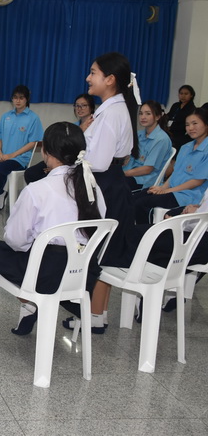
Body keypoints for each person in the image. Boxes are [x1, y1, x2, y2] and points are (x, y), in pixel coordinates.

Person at [0, 122, 106, 335]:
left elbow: (16, 240)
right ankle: (34, 306)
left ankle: (30, 304)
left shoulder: (37, 190)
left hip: (45, 275)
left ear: (45, 151)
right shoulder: (93, 188)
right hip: (84, 272)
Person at [63, 52, 139, 334]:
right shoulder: (114, 109)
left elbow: (99, 161)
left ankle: (93, 315)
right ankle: (98, 314)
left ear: (110, 79)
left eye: (93, 72)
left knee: (98, 252)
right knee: (104, 252)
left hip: (105, 185)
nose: (88, 78)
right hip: (112, 183)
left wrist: (72, 159)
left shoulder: (111, 113)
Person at [127, 187, 208, 316]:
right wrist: (195, 208)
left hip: (199, 242)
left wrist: (179, 221)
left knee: (140, 236)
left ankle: (148, 293)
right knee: (159, 246)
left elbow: (199, 221)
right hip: (198, 235)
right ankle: (163, 293)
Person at [132, 107, 208, 224]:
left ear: (206, 124)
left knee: (142, 204)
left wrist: (168, 190)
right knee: (134, 198)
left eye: (195, 123)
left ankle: (145, 233)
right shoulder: (186, 147)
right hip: (172, 190)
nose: (190, 128)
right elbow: (175, 173)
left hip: (187, 196)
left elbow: (197, 182)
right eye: (187, 125)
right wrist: (163, 188)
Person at [0, 85, 43, 212]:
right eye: (15, 97)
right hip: (1, 154)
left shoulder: (33, 118)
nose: (18, 101)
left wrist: (11, 155)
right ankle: (0, 192)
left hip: (19, 158)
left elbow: (32, 143)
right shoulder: (6, 116)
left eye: (21, 98)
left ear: (27, 99)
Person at [24, 93, 95, 184]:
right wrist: (53, 163)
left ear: (91, 107)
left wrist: (56, 166)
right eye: (77, 106)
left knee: (45, 177)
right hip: (61, 158)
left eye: (83, 105)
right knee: (30, 173)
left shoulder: (95, 125)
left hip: (77, 161)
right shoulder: (73, 126)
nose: (79, 108)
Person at [123, 100, 173, 192]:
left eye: (148, 114)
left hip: (145, 180)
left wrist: (124, 173)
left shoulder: (161, 139)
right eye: (141, 113)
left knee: (114, 185)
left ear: (157, 117)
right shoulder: (139, 134)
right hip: (131, 172)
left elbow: (148, 169)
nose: (143, 117)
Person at [167, 84, 197, 151]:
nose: (183, 96)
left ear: (191, 95)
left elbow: (186, 125)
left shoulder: (192, 109)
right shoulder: (175, 105)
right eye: (181, 93)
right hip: (169, 131)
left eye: (186, 94)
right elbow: (168, 116)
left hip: (180, 134)